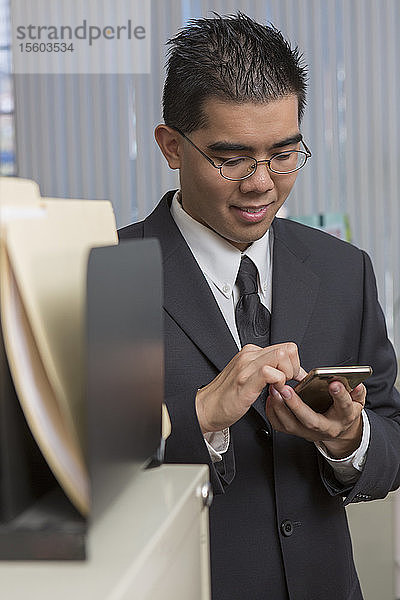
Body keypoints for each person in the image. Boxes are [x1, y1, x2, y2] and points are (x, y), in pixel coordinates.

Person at [119, 13, 400, 600]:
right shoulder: (104, 276)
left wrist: (350, 438)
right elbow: (64, 481)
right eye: (232, 158)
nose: (262, 183)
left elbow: (392, 437)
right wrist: (196, 419)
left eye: (284, 153)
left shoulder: (345, 270)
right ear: (171, 146)